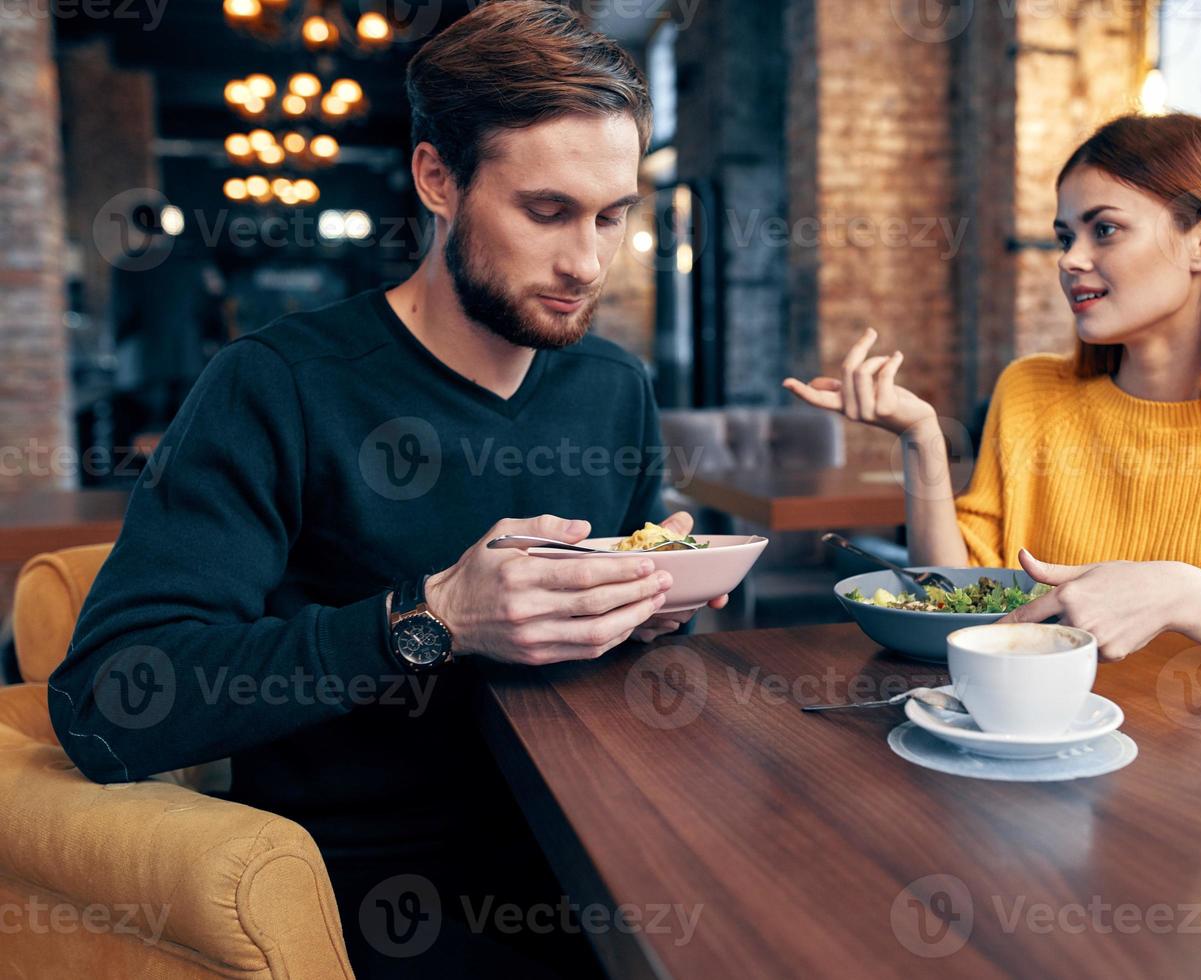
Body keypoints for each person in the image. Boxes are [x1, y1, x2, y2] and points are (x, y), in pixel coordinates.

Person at [48, 3, 722, 975]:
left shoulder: (614, 385)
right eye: (547, 210)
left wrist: (653, 602)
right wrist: (429, 615)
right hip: (379, 891)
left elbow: (625, 652)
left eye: (612, 214)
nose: (588, 260)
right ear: (436, 177)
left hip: (606, 842)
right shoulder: (276, 383)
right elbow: (106, 706)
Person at [787, 113, 1201, 695]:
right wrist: (921, 439)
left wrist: (1181, 593)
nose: (1070, 260)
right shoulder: (1031, 392)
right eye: (1066, 235)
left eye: (1104, 229)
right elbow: (957, 602)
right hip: (1035, 740)